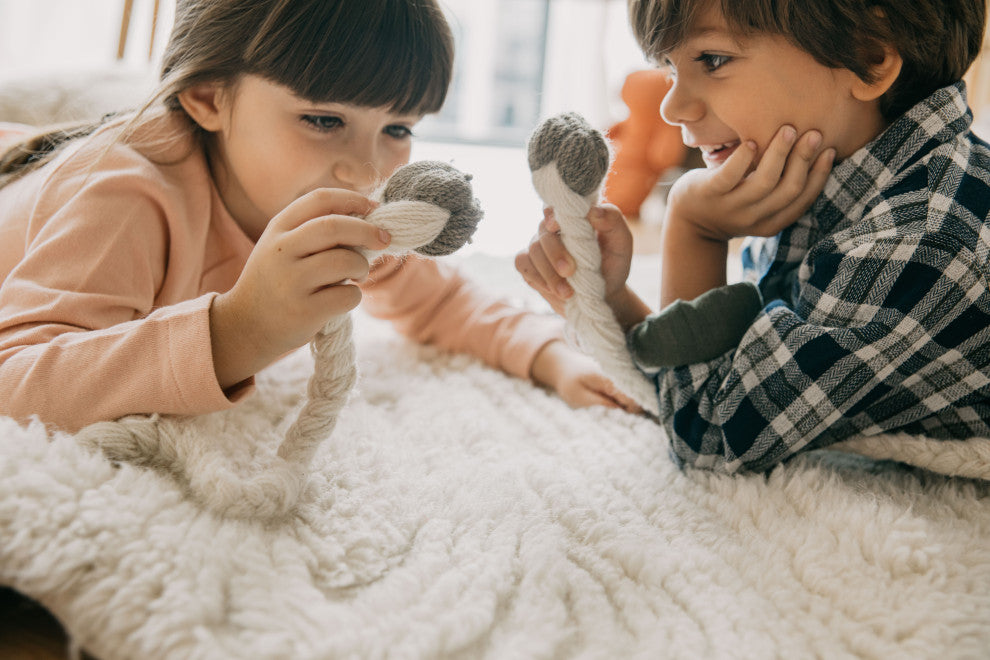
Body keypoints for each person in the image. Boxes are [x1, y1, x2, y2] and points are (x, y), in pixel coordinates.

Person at [0, 0, 639, 433]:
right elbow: (16, 382)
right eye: (324, 120)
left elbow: (441, 305)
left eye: (396, 128)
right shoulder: (124, 197)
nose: (366, 170)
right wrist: (238, 331)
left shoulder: (340, 211)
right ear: (207, 98)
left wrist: (554, 359)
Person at [516, 0, 990, 473]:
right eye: (668, 67)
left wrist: (694, 230)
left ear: (867, 58)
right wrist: (609, 299)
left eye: (713, 60)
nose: (672, 107)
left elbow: (710, 434)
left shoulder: (927, 242)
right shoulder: (818, 172)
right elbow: (732, 370)